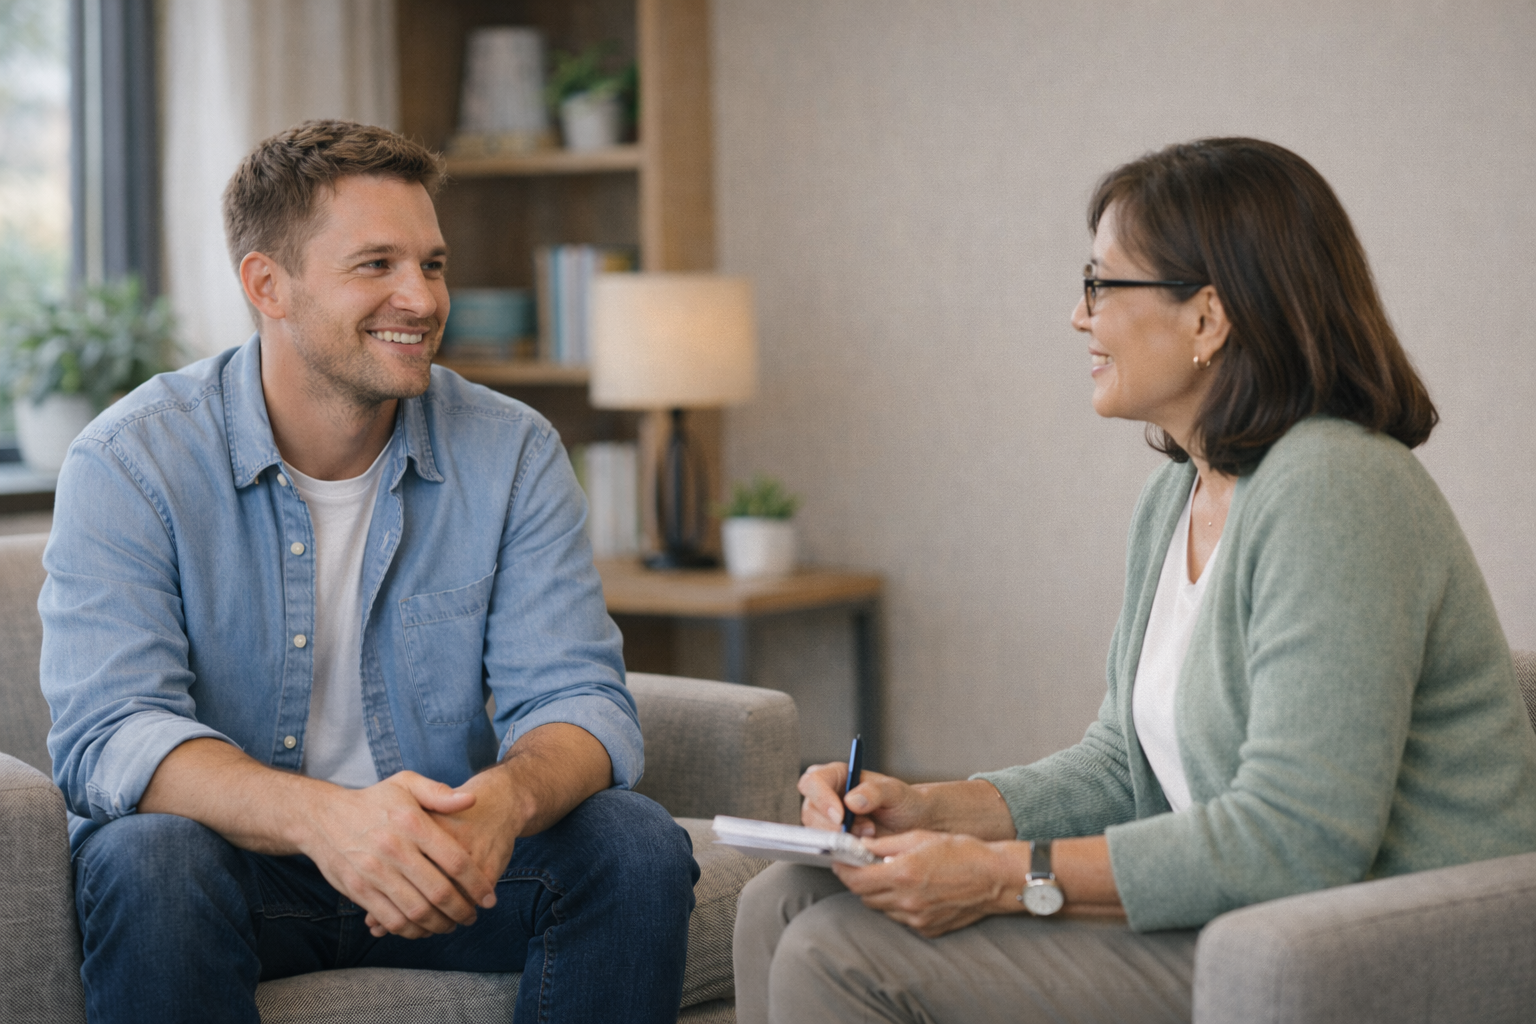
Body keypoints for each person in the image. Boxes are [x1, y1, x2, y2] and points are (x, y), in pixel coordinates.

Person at [732, 137, 1536, 1023]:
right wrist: (934, 809)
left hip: (1362, 951)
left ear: (1207, 319)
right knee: (787, 901)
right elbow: (1124, 762)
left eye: (1101, 285)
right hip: (1240, 920)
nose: (1080, 316)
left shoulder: (1339, 487)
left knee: (838, 953)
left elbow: (1299, 838)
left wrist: (1002, 879)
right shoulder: (1177, 494)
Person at [41, 120, 697, 1024]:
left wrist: (503, 802)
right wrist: (329, 822)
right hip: (237, 871)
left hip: (448, 861)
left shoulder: (511, 451)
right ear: (266, 284)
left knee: (634, 844)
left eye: (431, 265)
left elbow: (579, 699)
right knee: (146, 856)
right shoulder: (128, 462)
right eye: (376, 264)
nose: (421, 299)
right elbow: (108, 734)